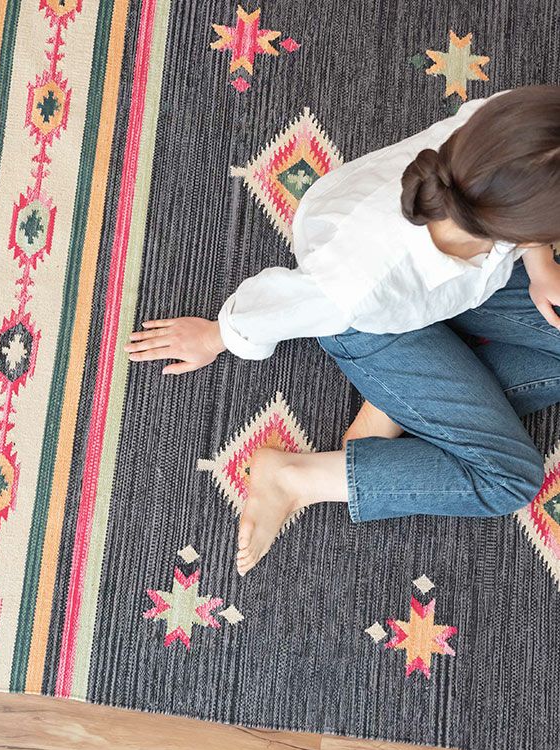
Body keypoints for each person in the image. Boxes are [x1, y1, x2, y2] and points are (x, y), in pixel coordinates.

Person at [124, 85, 560, 575]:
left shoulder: (502, 135)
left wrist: (540, 263)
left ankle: (403, 397)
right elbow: (285, 302)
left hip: (460, 280)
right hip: (371, 324)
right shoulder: (355, 282)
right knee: (509, 480)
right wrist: (215, 335)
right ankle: (294, 476)